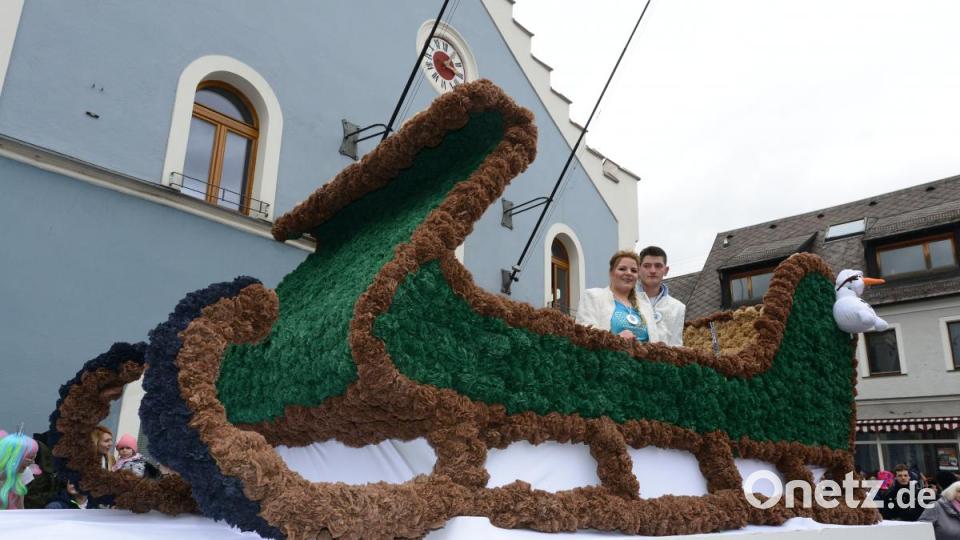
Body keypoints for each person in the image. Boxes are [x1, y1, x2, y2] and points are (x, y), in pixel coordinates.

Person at [577, 250, 651, 342]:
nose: (629, 273)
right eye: (622, 269)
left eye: (634, 270)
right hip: (609, 355)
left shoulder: (645, 306)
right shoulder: (593, 296)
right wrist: (614, 339)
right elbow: (583, 334)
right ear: (611, 273)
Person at [635, 246, 685, 346]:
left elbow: (676, 346)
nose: (653, 270)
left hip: (663, 361)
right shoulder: (624, 301)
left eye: (658, 266)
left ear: (666, 270)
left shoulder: (678, 307)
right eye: (647, 266)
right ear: (638, 270)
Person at [0, 431, 39, 510]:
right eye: (29, 458)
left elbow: (20, 509)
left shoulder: (23, 473)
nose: (32, 462)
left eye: (34, 458)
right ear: (13, 456)